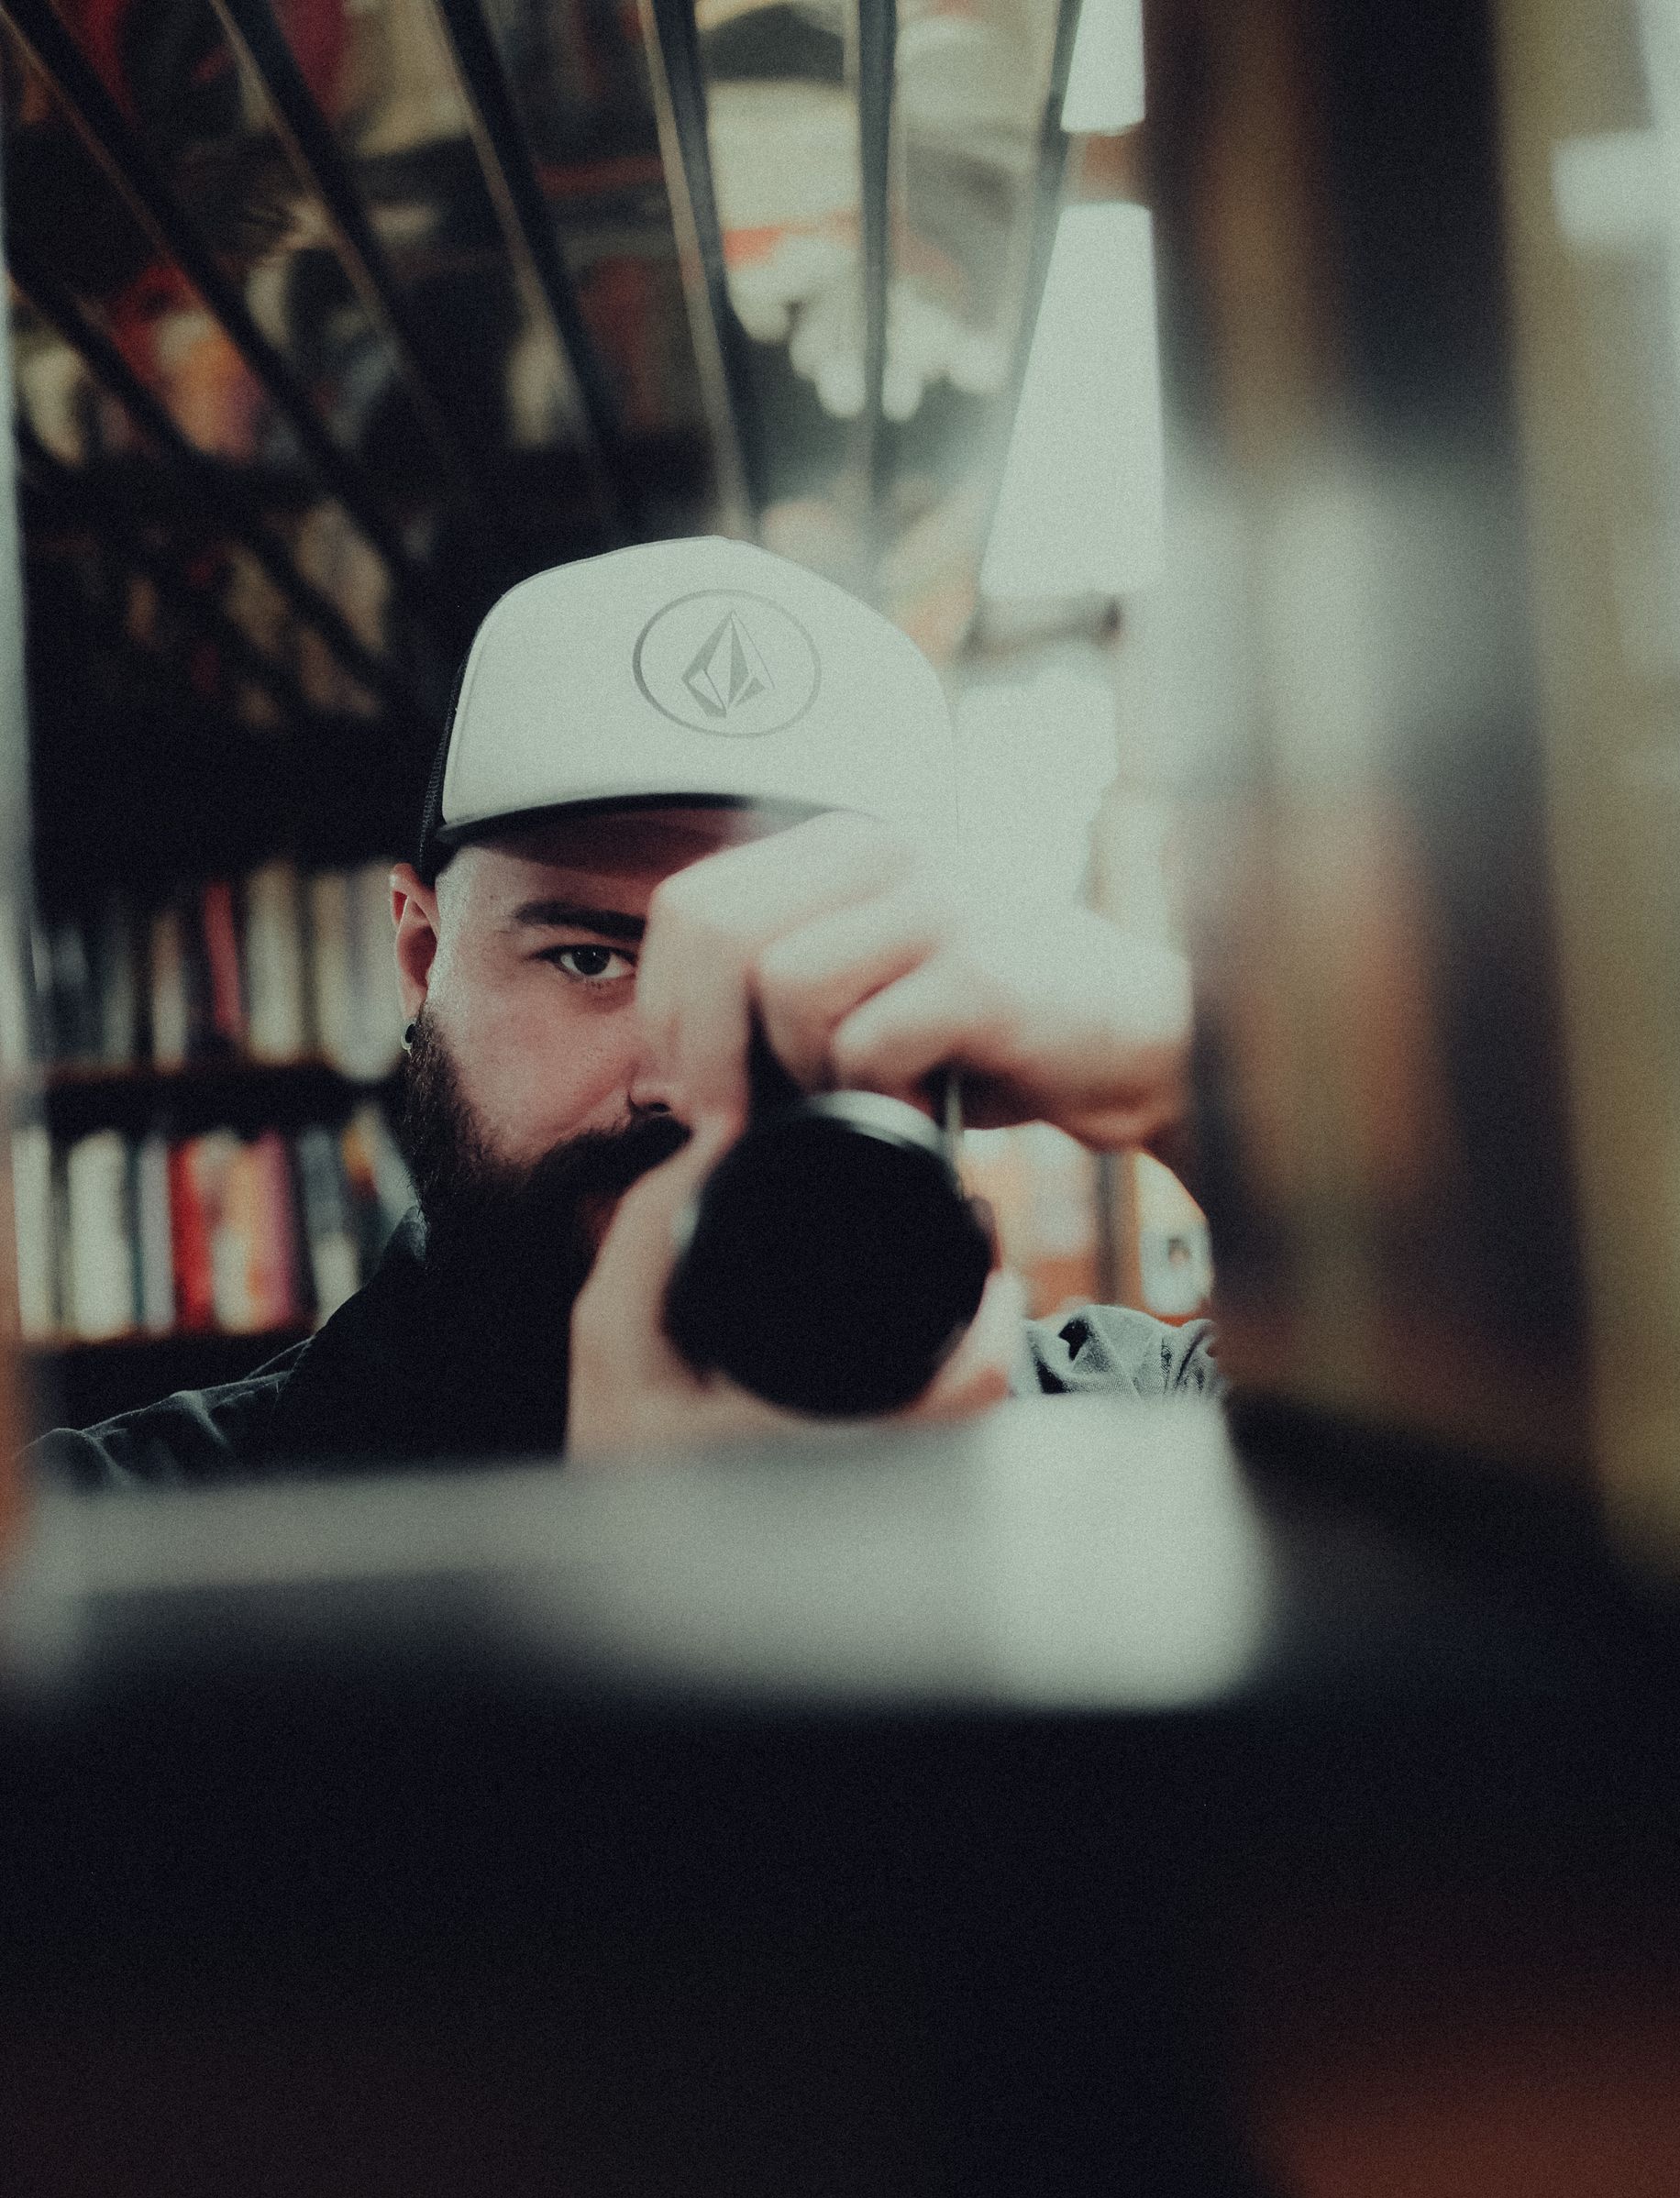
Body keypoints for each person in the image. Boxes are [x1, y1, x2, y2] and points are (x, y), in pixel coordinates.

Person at [28, 538, 1218, 1490]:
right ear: (421, 955)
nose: (676, 1071)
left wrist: (1188, 1065)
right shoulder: (147, 1532)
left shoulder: (1127, 1426)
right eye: (592, 957)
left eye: (798, 959)